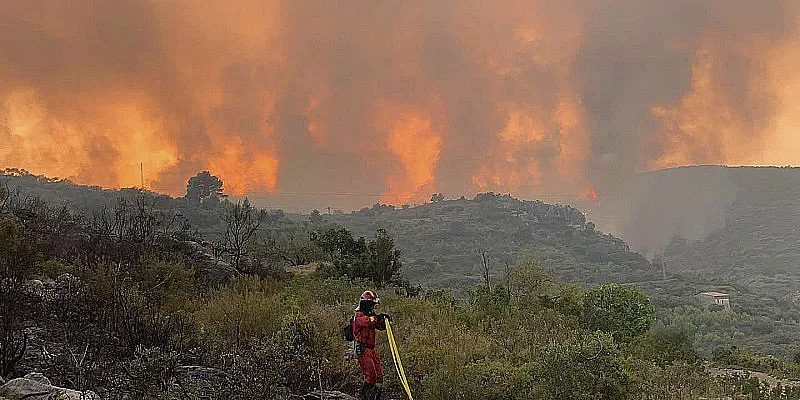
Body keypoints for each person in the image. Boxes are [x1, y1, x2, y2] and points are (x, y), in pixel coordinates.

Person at [353, 290, 391, 400]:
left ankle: (375, 397)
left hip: (371, 350)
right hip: (363, 349)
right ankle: (364, 397)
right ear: (365, 304)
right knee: (371, 375)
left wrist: (384, 321)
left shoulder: (371, 315)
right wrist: (377, 318)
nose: (373, 307)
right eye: (371, 304)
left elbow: (378, 325)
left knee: (379, 375)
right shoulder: (359, 315)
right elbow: (366, 321)